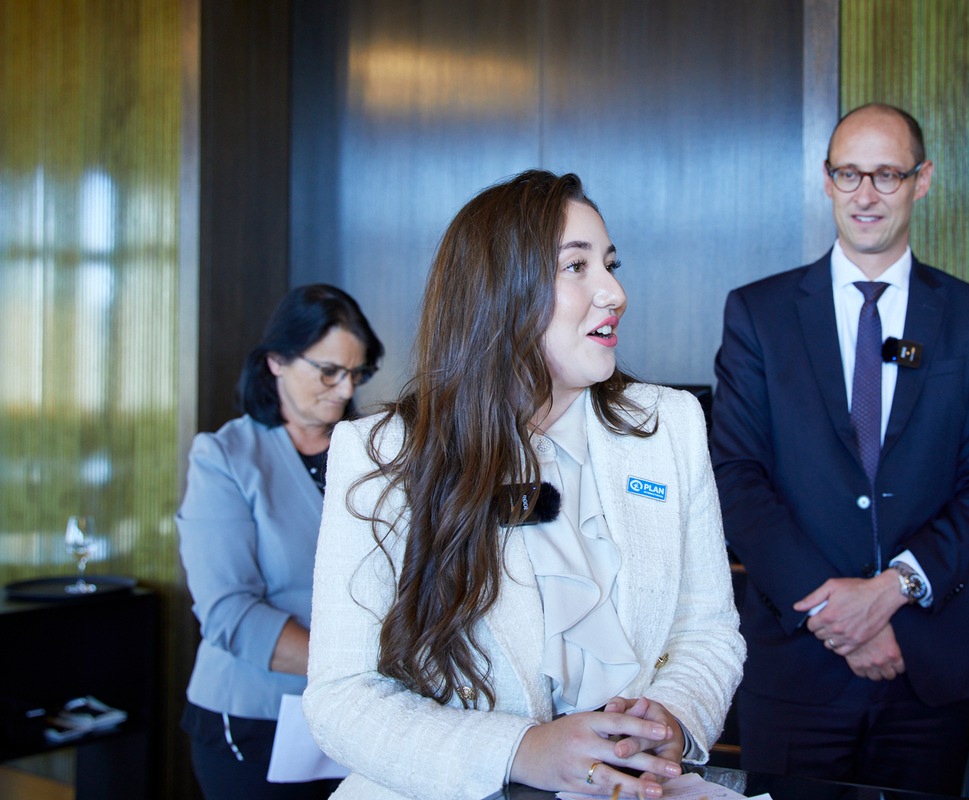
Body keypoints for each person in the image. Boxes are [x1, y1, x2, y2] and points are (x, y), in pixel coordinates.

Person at [304, 170, 744, 800]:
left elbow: (706, 630)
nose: (614, 292)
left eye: (611, 265)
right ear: (498, 292)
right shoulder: (381, 456)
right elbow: (342, 699)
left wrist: (671, 717)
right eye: (576, 267)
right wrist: (520, 750)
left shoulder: (667, 425)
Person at [710, 104, 969, 794]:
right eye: (849, 173)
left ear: (923, 180)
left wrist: (891, 592)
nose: (866, 194)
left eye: (887, 174)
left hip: (928, 670)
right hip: (794, 673)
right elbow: (736, 478)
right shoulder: (758, 315)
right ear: (826, 180)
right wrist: (834, 615)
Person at [178, 284, 384, 800]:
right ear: (276, 361)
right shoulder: (225, 457)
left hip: (359, 713)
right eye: (328, 371)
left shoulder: (370, 450)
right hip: (255, 719)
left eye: (356, 374)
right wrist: (351, 663)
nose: (343, 390)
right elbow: (228, 612)